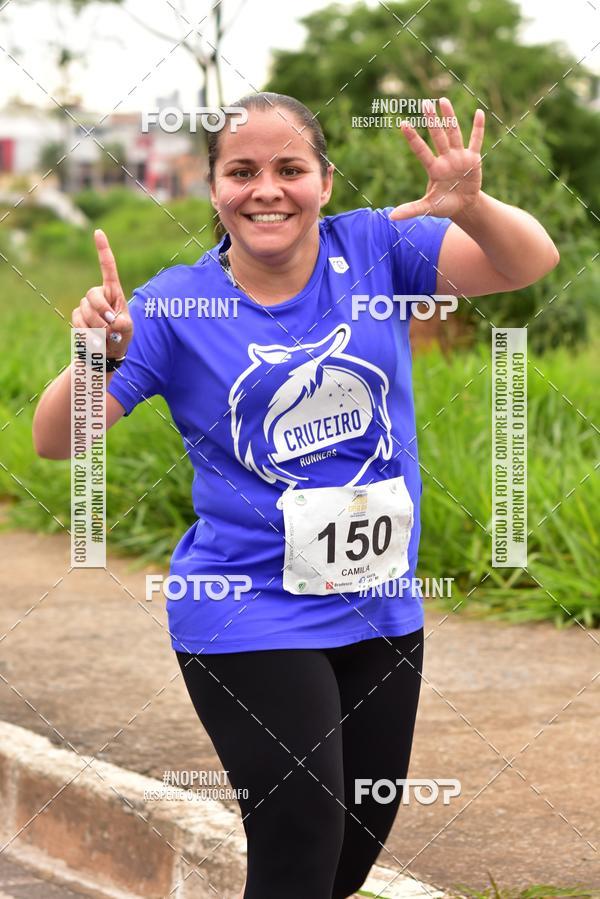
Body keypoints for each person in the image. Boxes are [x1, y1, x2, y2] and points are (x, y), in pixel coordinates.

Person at [32, 92, 559, 899]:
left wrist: (475, 205)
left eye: (290, 168)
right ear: (214, 189)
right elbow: (58, 437)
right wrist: (95, 355)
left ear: (324, 180)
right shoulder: (176, 305)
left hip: (379, 604)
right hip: (245, 608)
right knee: (302, 832)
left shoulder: (377, 247)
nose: (266, 188)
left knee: (349, 850)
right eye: (242, 171)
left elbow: (530, 263)